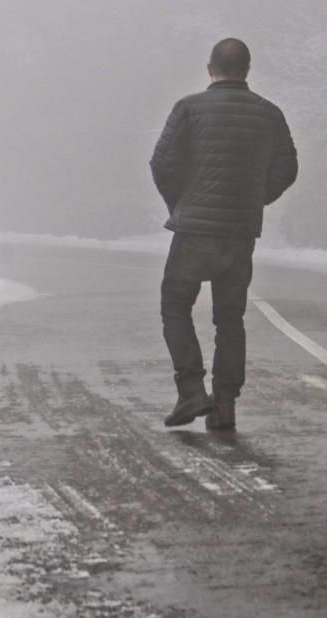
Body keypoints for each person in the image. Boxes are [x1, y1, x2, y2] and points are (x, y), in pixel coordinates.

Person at [150, 38, 298, 430]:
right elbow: (288, 167)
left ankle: (191, 390)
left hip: (193, 230)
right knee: (230, 317)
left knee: (175, 306)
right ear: (247, 70)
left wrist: (180, 204)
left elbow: (161, 162)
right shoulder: (270, 114)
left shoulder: (188, 108)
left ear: (210, 68)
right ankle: (225, 404)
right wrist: (254, 200)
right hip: (239, 233)